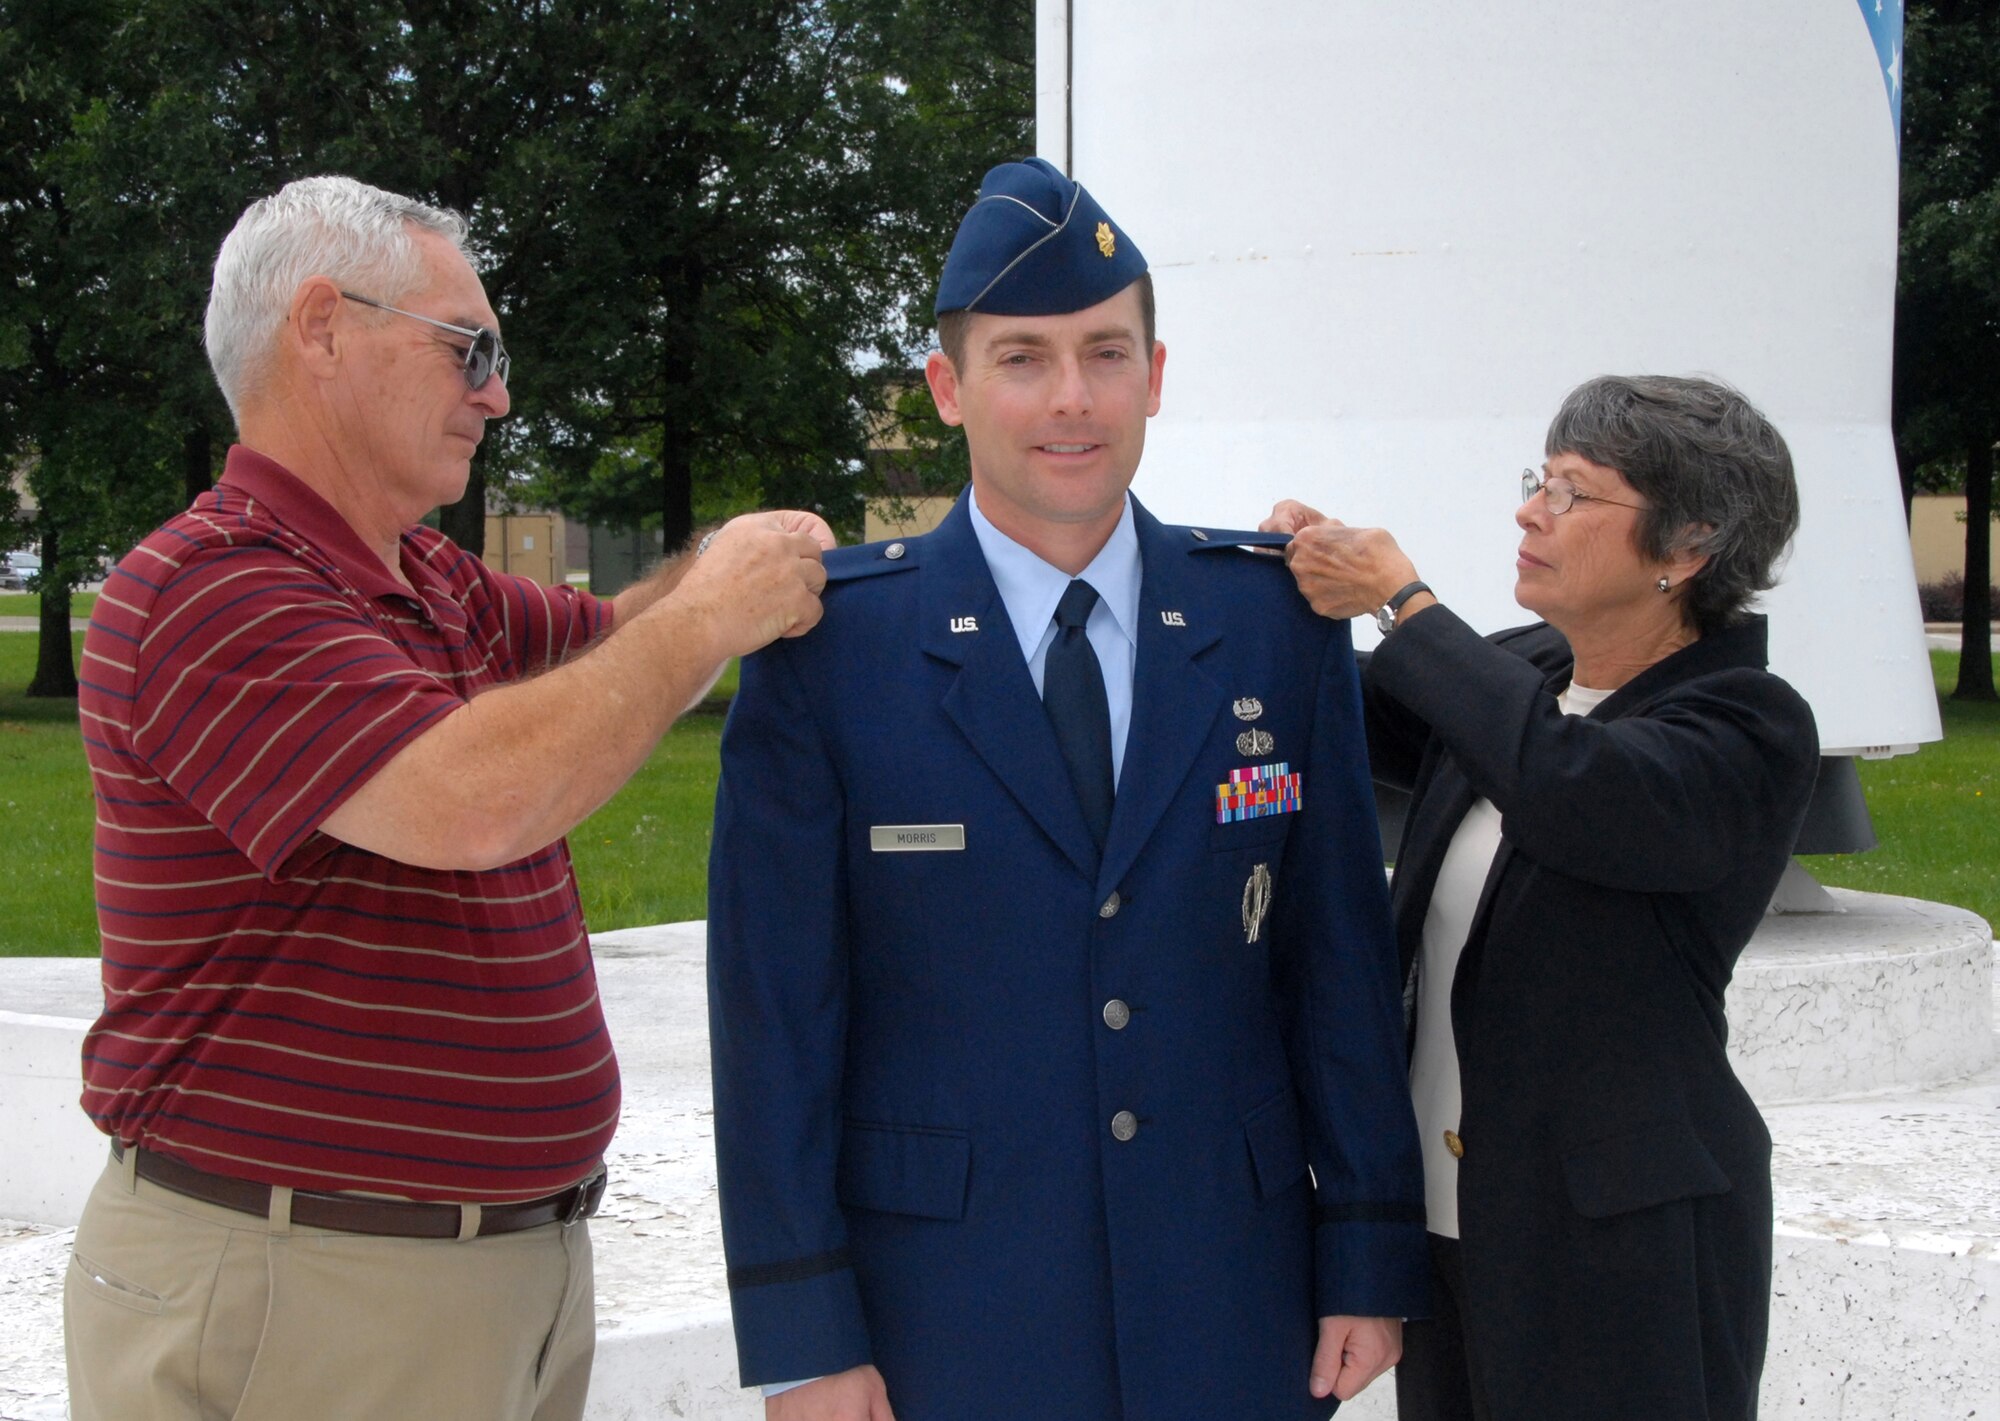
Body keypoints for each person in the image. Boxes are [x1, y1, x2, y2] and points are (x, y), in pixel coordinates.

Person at [65, 175, 832, 1421]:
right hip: (309, 1290)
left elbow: (605, 646)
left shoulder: (423, 576)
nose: (498, 391)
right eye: (468, 347)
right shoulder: (213, 592)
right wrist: (709, 615)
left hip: (462, 1279)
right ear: (320, 327)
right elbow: (474, 797)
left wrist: (746, 560)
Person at [706, 156, 1428, 1421]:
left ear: (1154, 376)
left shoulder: (1273, 621)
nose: (1070, 398)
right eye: (1022, 357)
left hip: (1231, 1294)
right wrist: (803, 1332)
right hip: (947, 1305)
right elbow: (773, 1022)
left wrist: (1366, 1248)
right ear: (947, 386)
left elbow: (1336, 968)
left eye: (1104, 352)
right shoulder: (830, 648)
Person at [1264, 374, 1819, 1421]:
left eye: (1571, 492)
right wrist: (1283, 583)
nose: (1529, 510)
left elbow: (1573, 788)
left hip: (1621, 1240)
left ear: (1685, 548)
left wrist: (1403, 601)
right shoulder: (1521, 674)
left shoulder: (1748, 725)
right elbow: (1324, 706)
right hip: (1448, 1223)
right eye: (1538, 480)